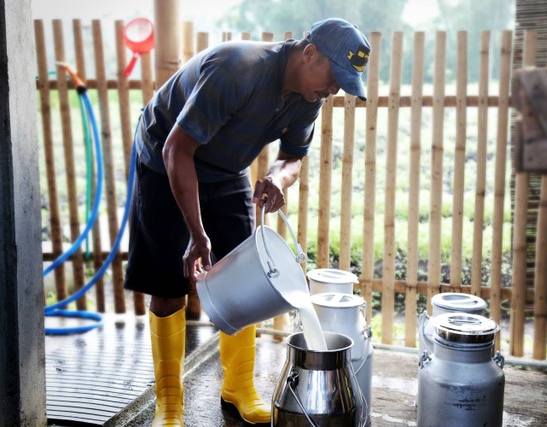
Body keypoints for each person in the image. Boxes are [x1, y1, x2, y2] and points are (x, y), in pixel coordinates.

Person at [124, 17, 371, 426]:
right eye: (334, 77)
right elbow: (177, 151)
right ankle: (170, 403)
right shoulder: (237, 70)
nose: (335, 89)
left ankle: (238, 387)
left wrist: (277, 176)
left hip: (225, 169)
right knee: (169, 282)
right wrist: (196, 231)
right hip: (165, 160)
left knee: (248, 275)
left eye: (344, 84)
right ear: (309, 53)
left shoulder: (310, 97)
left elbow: (293, 156)